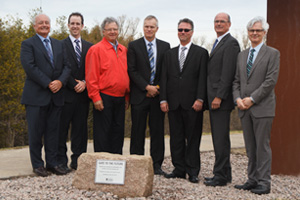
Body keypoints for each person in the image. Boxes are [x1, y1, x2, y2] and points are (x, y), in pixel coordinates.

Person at [232, 16, 280, 195]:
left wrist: (251, 99)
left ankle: (264, 182)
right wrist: (237, 99)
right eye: (251, 30)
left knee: (262, 146)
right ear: (248, 32)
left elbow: (270, 82)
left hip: (262, 108)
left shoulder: (273, 53)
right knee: (250, 147)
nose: (254, 33)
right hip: (243, 108)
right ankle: (252, 179)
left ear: (264, 33)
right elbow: (236, 81)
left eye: (258, 30)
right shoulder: (242, 55)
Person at [20, 13, 70, 177]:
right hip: (36, 96)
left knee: (53, 133)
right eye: (40, 23)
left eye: (47, 23)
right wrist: (49, 83)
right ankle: (37, 165)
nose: (44, 25)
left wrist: (60, 82)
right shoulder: (28, 44)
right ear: (34, 26)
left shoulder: (58, 44)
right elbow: (30, 67)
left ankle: (52, 163)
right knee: (35, 133)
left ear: (50, 25)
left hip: (56, 97)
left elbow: (67, 67)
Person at [160, 18, 208, 183]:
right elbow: (164, 78)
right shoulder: (169, 54)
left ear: (192, 32)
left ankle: (193, 171)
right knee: (176, 138)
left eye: (186, 30)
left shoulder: (201, 53)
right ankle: (179, 169)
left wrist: (200, 99)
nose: (183, 32)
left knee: (193, 138)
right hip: (173, 103)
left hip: (193, 104)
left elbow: (203, 78)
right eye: (180, 29)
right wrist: (163, 99)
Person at [127, 15, 170, 175]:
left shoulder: (165, 46)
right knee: (137, 131)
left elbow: (165, 72)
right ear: (143, 28)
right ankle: (136, 163)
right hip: (139, 96)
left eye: (152, 27)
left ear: (157, 29)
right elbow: (132, 70)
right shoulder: (134, 46)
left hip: (158, 97)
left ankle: (156, 165)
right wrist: (146, 87)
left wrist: (156, 89)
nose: (149, 29)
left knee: (157, 132)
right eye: (146, 26)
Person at [204, 12, 240, 187]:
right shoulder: (219, 42)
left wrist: (219, 96)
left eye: (222, 21)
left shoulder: (231, 44)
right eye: (216, 21)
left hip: (221, 100)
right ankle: (225, 174)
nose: (218, 24)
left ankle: (220, 176)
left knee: (220, 139)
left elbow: (228, 73)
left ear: (229, 24)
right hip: (214, 99)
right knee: (220, 138)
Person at [85, 17, 130, 154]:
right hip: (104, 98)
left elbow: (127, 75)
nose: (112, 32)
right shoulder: (96, 50)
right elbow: (91, 76)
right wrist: (95, 97)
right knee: (103, 134)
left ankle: (117, 165)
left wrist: (127, 97)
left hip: (121, 98)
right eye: (109, 29)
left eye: (115, 29)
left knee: (118, 133)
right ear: (103, 31)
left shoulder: (124, 50)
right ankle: (103, 166)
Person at [57, 12, 93, 172]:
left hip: (84, 95)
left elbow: (93, 69)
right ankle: (61, 161)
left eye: (78, 23)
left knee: (80, 130)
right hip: (66, 94)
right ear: (68, 25)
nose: (75, 26)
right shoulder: (60, 45)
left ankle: (78, 160)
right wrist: (73, 84)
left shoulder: (90, 47)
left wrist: (85, 83)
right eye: (72, 23)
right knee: (62, 129)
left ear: (82, 26)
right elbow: (59, 68)